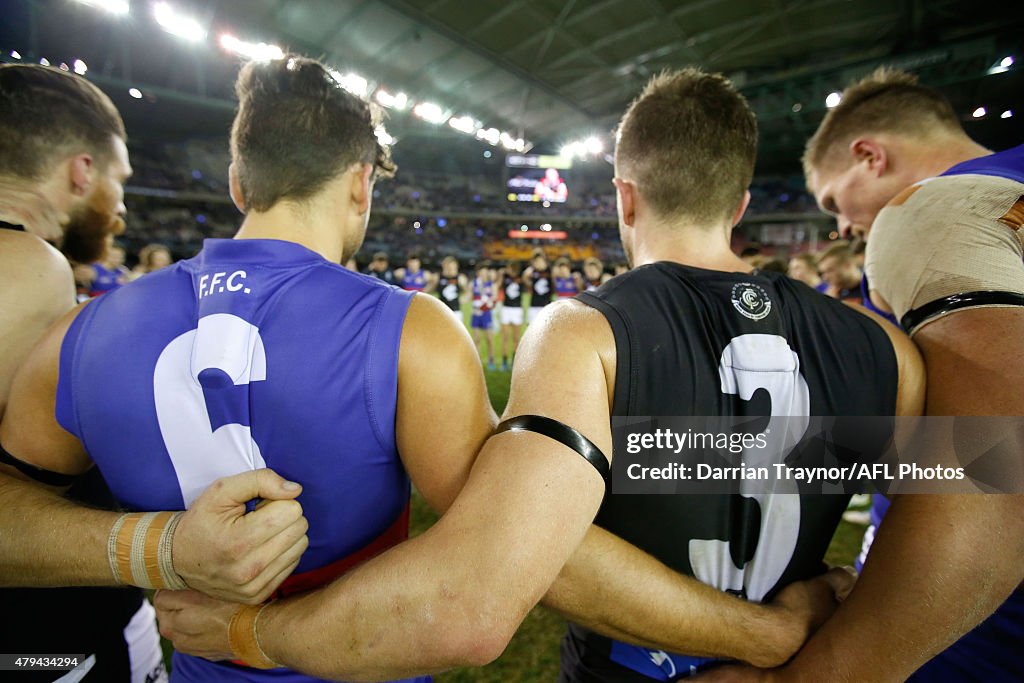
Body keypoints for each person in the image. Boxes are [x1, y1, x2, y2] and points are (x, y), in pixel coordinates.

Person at [153, 68, 897, 683]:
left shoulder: (585, 335)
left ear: (624, 196)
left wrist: (248, 629)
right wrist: (814, 648)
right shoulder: (880, 344)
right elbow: (986, 506)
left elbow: (502, 571)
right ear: (739, 203)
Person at [0, 56, 450, 683]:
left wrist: (160, 551)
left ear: (238, 183)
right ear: (361, 183)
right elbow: (480, 557)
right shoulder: (412, 330)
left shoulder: (81, 332)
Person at [783, 65, 1024, 682]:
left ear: (869, 155)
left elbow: (997, 465)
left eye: (835, 200)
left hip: (981, 626)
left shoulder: (932, 211)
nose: (840, 227)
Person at [0, 61, 165, 683]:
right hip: (49, 647)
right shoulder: (28, 261)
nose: (120, 207)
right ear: (82, 170)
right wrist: (168, 550)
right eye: (118, 180)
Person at [470, 261, 497, 370]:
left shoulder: (492, 284)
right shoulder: (474, 283)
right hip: (476, 314)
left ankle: (491, 360)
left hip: (486, 314)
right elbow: (469, 295)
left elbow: (494, 298)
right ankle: (478, 362)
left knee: (489, 339)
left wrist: (488, 304)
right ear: (478, 273)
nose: (483, 274)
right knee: (476, 339)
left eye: (485, 272)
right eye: (481, 272)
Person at [498, 261, 525, 370]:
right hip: (506, 308)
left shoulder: (521, 277)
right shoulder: (505, 277)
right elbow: (498, 285)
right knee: (505, 336)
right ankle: (504, 361)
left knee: (516, 337)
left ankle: (514, 361)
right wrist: (500, 275)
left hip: (517, 309)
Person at [523, 249, 553, 323]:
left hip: (547, 305)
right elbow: (526, 281)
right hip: (534, 304)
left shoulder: (550, 270)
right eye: (537, 261)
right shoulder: (531, 271)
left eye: (541, 260)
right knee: (531, 327)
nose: (539, 263)